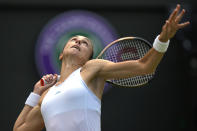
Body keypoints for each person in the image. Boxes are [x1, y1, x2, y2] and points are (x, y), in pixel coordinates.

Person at [13, 4, 190, 131]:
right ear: (61, 54)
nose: (78, 42)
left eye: (85, 43)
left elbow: (145, 67)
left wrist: (163, 39)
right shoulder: (45, 96)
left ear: (87, 58)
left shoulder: (91, 69)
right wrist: (35, 93)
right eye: (74, 39)